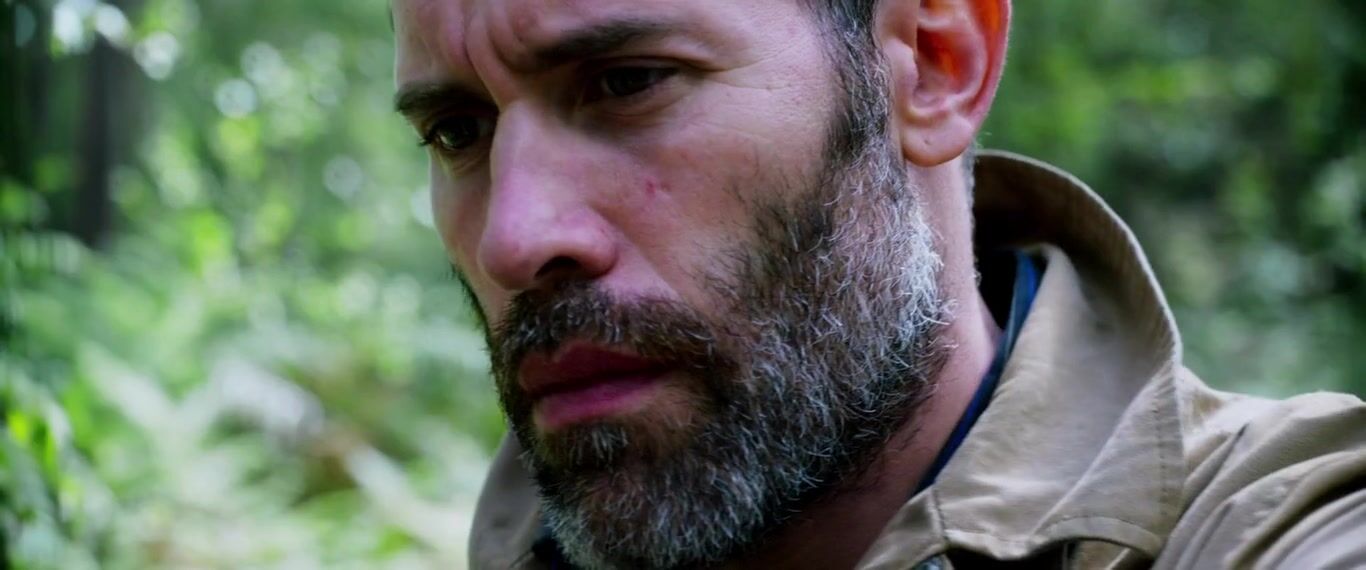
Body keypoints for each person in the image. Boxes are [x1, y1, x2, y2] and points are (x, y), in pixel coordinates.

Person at [390, 0, 1366, 568]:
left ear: (936, 65)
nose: (514, 239)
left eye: (627, 82)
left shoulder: (1280, 526)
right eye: (457, 131)